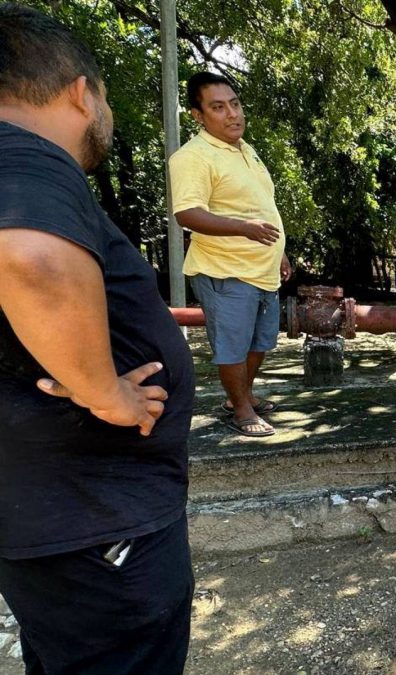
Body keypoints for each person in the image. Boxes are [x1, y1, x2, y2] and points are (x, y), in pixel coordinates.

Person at [0, 4, 195, 672]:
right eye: (105, 95)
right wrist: (104, 389)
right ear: (82, 92)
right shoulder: (26, 153)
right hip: (99, 526)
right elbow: (29, 257)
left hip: (58, 517)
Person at [169, 71, 292, 437]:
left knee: (260, 341)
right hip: (225, 270)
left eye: (235, 104)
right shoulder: (193, 157)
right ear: (197, 115)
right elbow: (187, 214)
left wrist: (280, 251)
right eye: (218, 107)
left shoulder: (244, 150)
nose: (232, 114)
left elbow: (261, 206)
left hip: (262, 268)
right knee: (232, 345)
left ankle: (243, 396)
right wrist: (243, 228)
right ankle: (241, 410)